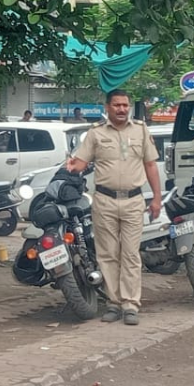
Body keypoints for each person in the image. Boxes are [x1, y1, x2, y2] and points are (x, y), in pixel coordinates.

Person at [66, 89, 162, 326]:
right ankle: (113, 303)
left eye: (125, 105)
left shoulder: (140, 129)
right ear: (107, 107)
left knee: (130, 254)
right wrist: (71, 166)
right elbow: (81, 161)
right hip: (104, 201)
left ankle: (130, 304)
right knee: (107, 254)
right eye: (117, 105)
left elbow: (150, 165)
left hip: (133, 201)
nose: (121, 109)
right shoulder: (96, 133)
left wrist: (157, 198)